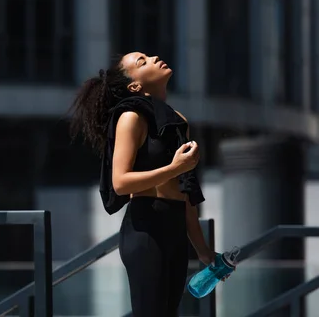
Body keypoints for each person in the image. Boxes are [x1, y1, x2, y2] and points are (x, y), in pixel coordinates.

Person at [69, 52, 218, 316]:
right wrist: (174, 168)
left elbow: (185, 194)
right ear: (135, 86)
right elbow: (121, 182)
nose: (154, 57)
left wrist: (204, 252)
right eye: (142, 61)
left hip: (175, 229)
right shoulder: (131, 117)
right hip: (146, 226)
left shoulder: (177, 121)